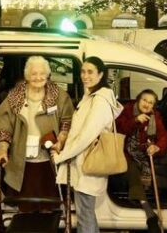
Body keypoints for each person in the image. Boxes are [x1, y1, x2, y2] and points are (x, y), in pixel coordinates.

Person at [0, 56, 74, 211]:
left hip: (50, 160)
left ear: (48, 74)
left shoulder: (59, 95)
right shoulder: (14, 96)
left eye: (42, 73)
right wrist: (2, 149)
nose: (38, 77)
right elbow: (4, 125)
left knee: (49, 205)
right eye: (34, 74)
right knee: (26, 205)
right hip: (22, 160)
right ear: (27, 75)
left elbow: (67, 122)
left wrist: (61, 140)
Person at [54, 56, 123, 233]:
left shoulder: (99, 100)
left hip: (87, 164)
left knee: (85, 215)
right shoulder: (90, 97)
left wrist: (61, 156)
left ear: (101, 74)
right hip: (84, 164)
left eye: (90, 72)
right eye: (83, 72)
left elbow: (86, 136)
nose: (85, 76)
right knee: (86, 214)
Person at [116, 89, 167, 233]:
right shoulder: (127, 110)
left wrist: (157, 147)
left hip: (145, 152)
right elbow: (118, 128)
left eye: (151, 103)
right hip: (126, 152)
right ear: (138, 99)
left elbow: (164, 136)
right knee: (132, 170)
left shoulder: (154, 116)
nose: (147, 104)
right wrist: (135, 120)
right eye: (144, 100)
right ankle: (149, 213)